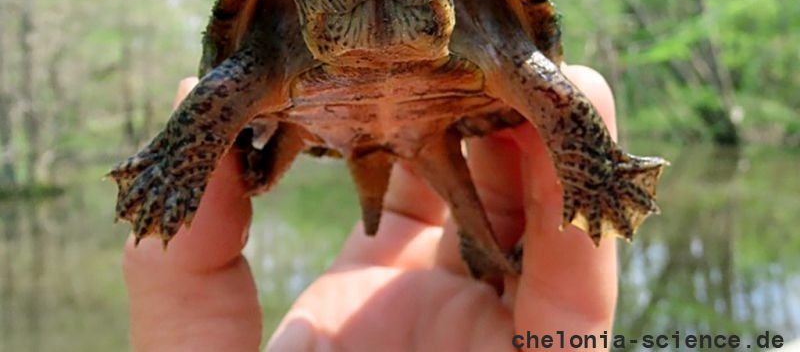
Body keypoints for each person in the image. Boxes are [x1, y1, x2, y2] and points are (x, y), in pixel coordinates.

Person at [123, 65, 618, 351]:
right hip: (312, 116)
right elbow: (221, 88)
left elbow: (541, 78)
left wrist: (598, 172)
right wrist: (174, 166)